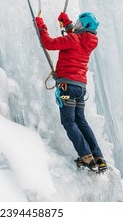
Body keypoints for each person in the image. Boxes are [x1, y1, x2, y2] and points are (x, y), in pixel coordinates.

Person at [35, 12, 107, 172]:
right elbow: (75, 36)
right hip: (80, 87)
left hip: (67, 85)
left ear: (84, 27)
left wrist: (41, 25)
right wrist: (66, 22)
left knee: (69, 122)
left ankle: (86, 156)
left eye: (79, 24)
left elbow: (48, 43)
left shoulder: (74, 39)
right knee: (81, 121)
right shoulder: (88, 41)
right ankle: (98, 157)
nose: (77, 26)